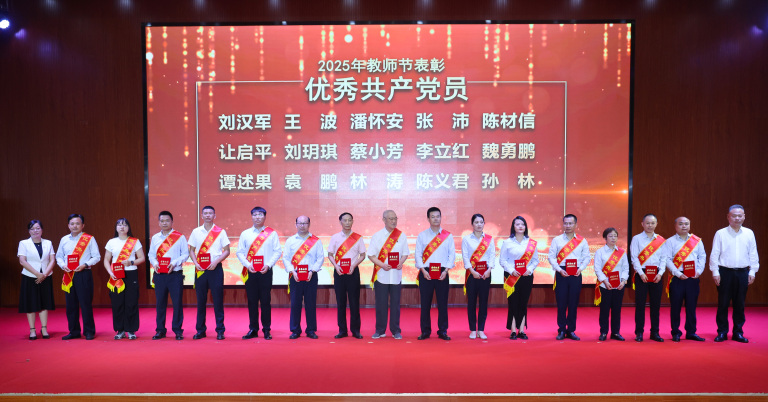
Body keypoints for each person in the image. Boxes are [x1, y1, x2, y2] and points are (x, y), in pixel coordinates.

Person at [710, 205, 760, 343]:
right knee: (723, 303)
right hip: (725, 272)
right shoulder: (720, 233)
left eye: (740, 215)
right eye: (734, 215)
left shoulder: (749, 233)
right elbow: (714, 254)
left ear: (744, 217)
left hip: (743, 272)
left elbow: (753, 253)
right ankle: (722, 332)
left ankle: (738, 332)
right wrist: (715, 271)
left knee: (740, 304)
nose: (737, 218)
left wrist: (752, 271)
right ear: (728, 217)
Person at [236, 206, 281, 340]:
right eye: (255, 214)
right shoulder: (245, 233)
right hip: (250, 271)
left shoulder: (272, 233)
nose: (257, 217)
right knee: (252, 301)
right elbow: (239, 252)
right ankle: (253, 329)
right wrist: (247, 265)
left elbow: (277, 251)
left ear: (265, 217)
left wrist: (268, 265)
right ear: (251, 217)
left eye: (260, 214)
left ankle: (266, 329)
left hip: (265, 271)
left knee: (266, 301)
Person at [55, 213, 100, 340]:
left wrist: (85, 264)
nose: (75, 226)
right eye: (72, 223)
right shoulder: (64, 239)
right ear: (68, 225)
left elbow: (96, 257)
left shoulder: (89, 239)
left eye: (77, 223)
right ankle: (74, 331)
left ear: (83, 225)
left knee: (85, 304)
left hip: (83, 273)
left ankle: (89, 331)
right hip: (69, 274)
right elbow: (59, 256)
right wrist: (63, 265)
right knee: (71, 305)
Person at [188, 206, 230, 340]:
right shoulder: (196, 232)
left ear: (214, 216)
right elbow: (191, 250)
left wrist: (216, 262)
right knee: (201, 301)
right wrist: (196, 263)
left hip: (215, 269)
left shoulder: (221, 232)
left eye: (210, 213)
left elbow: (227, 250)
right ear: (202, 216)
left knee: (218, 301)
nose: (207, 215)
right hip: (200, 270)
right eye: (205, 213)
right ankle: (200, 330)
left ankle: (220, 330)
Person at [415, 207, 455, 340]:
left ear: (441, 217)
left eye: (438, 216)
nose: (436, 219)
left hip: (442, 273)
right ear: (428, 219)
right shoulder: (422, 235)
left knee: (442, 304)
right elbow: (418, 254)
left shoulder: (448, 236)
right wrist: (422, 270)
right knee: (425, 304)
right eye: (433, 216)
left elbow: (452, 255)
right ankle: (425, 331)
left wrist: (446, 270)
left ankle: (443, 331)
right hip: (426, 272)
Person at [663, 216, 706, 342]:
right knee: (675, 307)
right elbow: (667, 259)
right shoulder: (670, 241)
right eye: (681, 224)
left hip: (693, 277)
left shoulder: (696, 241)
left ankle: (691, 332)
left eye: (686, 224)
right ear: (675, 226)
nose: (684, 226)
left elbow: (702, 256)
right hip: (677, 278)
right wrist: (677, 273)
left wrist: (699, 271)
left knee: (691, 307)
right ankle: (675, 332)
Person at [368, 210, 409, 340]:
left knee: (395, 305)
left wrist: (401, 262)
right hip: (381, 276)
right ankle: (380, 330)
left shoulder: (401, 236)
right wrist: (382, 265)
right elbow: (371, 255)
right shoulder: (377, 236)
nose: (393, 221)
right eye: (390, 219)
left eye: (395, 218)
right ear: (384, 220)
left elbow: (405, 254)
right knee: (381, 304)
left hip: (396, 276)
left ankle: (396, 330)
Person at [548, 213, 590, 341]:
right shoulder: (557, 240)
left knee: (573, 303)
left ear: (575, 225)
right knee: (561, 303)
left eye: (570, 223)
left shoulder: (582, 241)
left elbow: (587, 257)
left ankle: (571, 330)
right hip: (562, 272)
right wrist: (559, 269)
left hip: (576, 273)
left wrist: (580, 269)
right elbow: (551, 257)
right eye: (565, 223)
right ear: (563, 224)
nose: (568, 225)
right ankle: (561, 330)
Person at [148, 211, 189, 340]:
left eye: (167, 220)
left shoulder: (180, 237)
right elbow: (151, 255)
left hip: (175, 274)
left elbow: (185, 254)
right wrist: (155, 264)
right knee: (160, 303)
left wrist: (174, 263)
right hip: (160, 275)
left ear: (172, 222)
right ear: (159, 222)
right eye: (162, 221)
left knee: (177, 303)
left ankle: (177, 330)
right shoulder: (155, 238)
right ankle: (160, 330)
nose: (164, 223)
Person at [103, 218, 145, 340]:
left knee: (131, 302)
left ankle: (131, 330)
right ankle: (120, 330)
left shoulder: (134, 241)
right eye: (119, 225)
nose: (122, 227)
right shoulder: (111, 242)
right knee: (117, 303)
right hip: (116, 275)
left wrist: (131, 262)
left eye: (125, 225)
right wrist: (110, 272)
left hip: (131, 274)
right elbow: (106, 259)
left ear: (128, 228)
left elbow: (141, 258)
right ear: (116, 228)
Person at [283, 215, 324, 339]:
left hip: (311, 275)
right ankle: (295, 330)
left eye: (305, 223)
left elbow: (320, 258)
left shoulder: (316, 241)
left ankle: (311, 330)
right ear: (296, 224)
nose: (302, 225)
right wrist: (292, 271)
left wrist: (313, 270)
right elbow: (286, 258)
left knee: (310, 303)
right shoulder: (290, 240)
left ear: (309, 224)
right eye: (300, 223)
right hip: (295, 275)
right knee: (295, 304)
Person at [498, 216, 538, 340]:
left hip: (526, 276)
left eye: (523, 224)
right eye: (517, 224)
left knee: (523, 303)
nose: (520, 226)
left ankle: (521, 330)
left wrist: (529, 270)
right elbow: (502, 260)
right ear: (513, 227)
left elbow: (535, 260)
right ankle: (513, 331)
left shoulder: (531, 243)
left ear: (525, 227)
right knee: (513, 303)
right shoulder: (507, 242)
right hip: (511, 277)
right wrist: (511, 270)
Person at [328, 212, 366, 339]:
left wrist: (353, 266)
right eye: (345, 220)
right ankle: (342, 330)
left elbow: (362, 255)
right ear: (340, 222)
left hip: (352, 272)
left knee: (354, 302)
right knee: (341, 302)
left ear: (352, 222)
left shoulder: (358, 238)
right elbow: (330, 254)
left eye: (350, 220)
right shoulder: (335, 237)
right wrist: (336, 266)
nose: (347, 223)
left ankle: (356, 330)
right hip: (339, 272)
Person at [630, 213, 666, 342]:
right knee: (640, 305)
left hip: (657, 274)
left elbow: (664, 259)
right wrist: (641, 273)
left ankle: (655, 332)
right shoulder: (637, 239)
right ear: (642, 224)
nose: (650, 225)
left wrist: (660, 273)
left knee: (655, 305)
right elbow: (634, 257)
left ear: (656, 224)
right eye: (647, 223)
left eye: (652, 223)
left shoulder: (661, 240)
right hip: (642, 274)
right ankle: (639, 332)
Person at [18, 220, 56, 340]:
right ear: (29, 231)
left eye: (38, 228)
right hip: (30, 277)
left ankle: (44, 328)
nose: (35, 231)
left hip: (46, 277)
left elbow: (52, 260)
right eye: (32, 228)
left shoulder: (48, 243)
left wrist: (44, 274)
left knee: (44, 303)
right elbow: (22, 261)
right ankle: (32, 330)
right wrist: (37, 274)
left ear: (42, 230)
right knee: (30, 303)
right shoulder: (23, 243)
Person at [461, 213, 495, 340]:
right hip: (472, 273)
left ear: (484, 223)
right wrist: (472, 271)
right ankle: (472, 330)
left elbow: (492, 255)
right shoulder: (466, 239)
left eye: (481, 222)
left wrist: (489, 270)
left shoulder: (489, 239)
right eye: (476, 222)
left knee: (483, 302)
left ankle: (481, 329)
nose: (479, 224)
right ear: (472, 224)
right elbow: (465, 256)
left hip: (486, 273)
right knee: (471, 302)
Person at [593, 227, 629, 341]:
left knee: (616, 310)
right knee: (604, 310)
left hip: (619, 286)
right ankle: (603, 332)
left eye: (615, 236)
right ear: (605, 238)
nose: (613, 238)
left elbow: (626, 268)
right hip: (605, 286)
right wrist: (605, 281)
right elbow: (597, 269)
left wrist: (623, 280)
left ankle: (615, 332)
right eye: (610, 236)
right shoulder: (600, 252)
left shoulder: (622, 252)